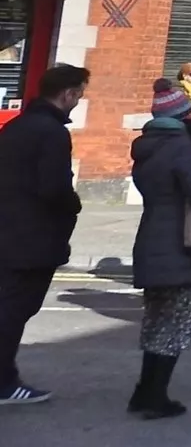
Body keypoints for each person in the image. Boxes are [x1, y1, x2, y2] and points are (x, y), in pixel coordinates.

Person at [129, 79, 191, 419]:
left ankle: (143, 391)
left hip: (150, 238)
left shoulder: (145, 147)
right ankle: (157, 398)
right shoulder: (179, 149)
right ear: (182, 118)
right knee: (175, 324)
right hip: (179, 245)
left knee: (155, 320)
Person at [0, 63, 88, 406]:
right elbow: (53, 188)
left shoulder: (18, 126)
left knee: (7, 305)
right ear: (67, 93)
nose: (79, 100)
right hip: (32, 237)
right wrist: (74, 205)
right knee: (15, 310)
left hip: (9, 231)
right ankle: (4, 382)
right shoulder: (52, 132)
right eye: (79, 93)